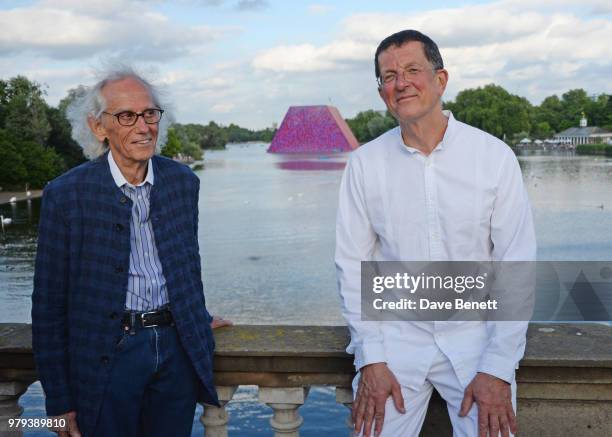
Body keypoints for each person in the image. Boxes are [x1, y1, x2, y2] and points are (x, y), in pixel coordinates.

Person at [335, 30, 536, 437]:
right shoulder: (364, 165)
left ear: (441, 79)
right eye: (388, 76)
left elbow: (516, 264)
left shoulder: (493, 157)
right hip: (395, 340)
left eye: (412, 70)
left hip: (475, 338)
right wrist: (371, 359)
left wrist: (498, 367)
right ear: (382, 93)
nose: (401, 83)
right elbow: (352, 266)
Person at [32, 67, 230, 437]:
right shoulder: (67, 194)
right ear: (98, 127)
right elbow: (48, 307)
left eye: (149, 113)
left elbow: (187, 265)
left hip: (176, 353)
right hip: (108, 357)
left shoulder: (183, 182)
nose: (143, 126)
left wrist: (195, 314)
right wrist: (59, 401)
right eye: (126, 116)